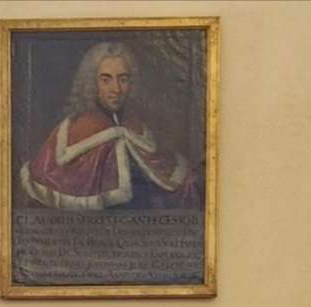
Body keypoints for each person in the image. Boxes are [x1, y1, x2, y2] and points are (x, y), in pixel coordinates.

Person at [19, 40, 198, 211]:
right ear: (92, 83)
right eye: (106, 80)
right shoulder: (72, 132)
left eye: (123, 79)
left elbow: (169, 183)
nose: (116, 89)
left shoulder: (137, 127)